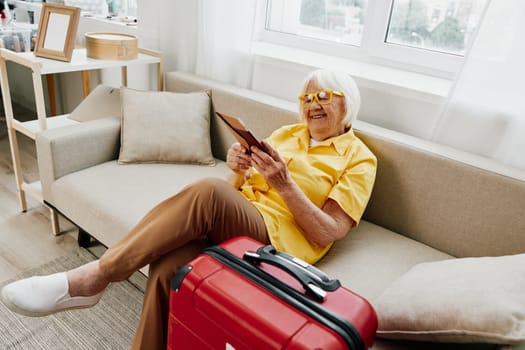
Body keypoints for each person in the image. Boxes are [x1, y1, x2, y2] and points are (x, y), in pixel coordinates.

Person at [1, 69, 377, 349]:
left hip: (277, 244)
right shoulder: (286, 135)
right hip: (238, 222)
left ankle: (95, 276)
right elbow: (234, 190)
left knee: (209, 194)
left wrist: (283, 183)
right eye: (307, 98)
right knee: (170, 266)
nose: (313, 105)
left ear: (349, 103)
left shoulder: (360, 159)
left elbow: (327, 230)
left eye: (324, 96)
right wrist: (237, 169)